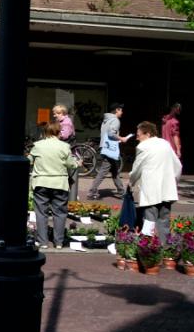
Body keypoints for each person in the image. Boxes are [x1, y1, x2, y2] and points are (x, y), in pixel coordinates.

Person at [29, 120, 80, 249]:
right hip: (60, 184)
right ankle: (58, 242)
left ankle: (43, 242)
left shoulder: (38, 145)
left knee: (41, 213)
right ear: (58, 132)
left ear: (45, 132)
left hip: (41, 183)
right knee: (60, 213)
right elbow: (71, 164)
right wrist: (78, 163)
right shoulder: (64, 146)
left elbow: (29, 160)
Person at [130, 121, 181, 243]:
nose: (137, 138)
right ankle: (165, 251)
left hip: (151, 190)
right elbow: (178, 165)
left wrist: (131, 181)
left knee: (149, 222)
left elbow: (137, 168)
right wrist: (173, 182)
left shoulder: (143, 147)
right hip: (167, 190)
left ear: (147, 134)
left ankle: (148, 252)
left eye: (138, 135)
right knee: (164, 222)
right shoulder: (165, 144)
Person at [87, 103, 129, 200]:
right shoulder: (115, 120)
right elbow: (111, 133)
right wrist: (121, 138)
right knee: (103, 171)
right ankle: (91, 192)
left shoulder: (106, 120)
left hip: (104, 147)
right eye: (121, 110)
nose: (122, 112)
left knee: (114, 171)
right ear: (117, 110)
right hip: (110, 149)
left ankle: (121, 191)